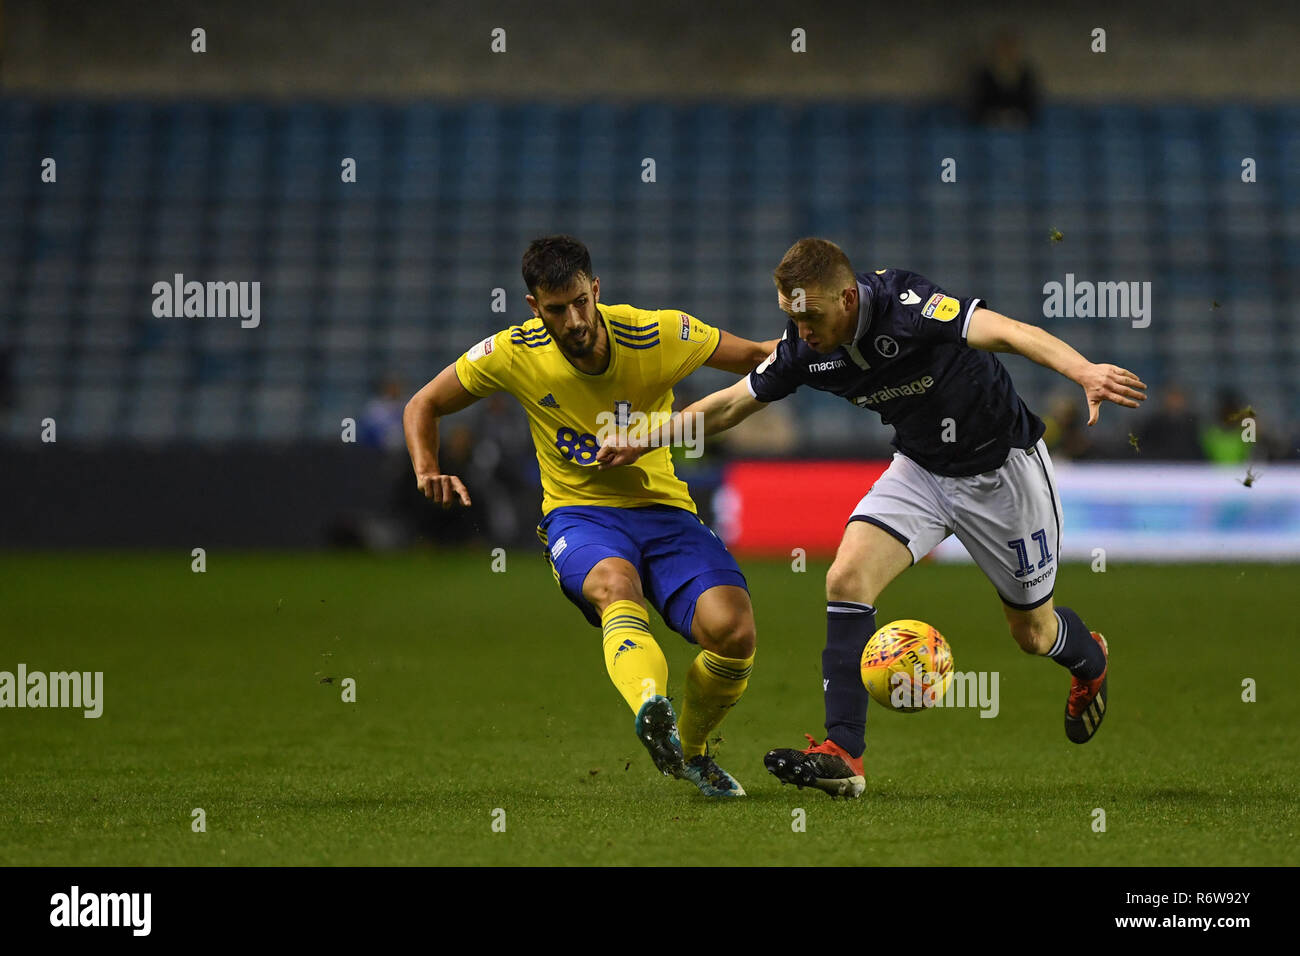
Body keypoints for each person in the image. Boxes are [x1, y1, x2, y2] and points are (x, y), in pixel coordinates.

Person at [598, 237, 1147, 798]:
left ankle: (1089, 658)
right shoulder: (804, 346)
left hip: (1001, 473)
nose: (802, 329)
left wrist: (1083, 370)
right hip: (921, 472)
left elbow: (1007, 332)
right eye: (791, 315)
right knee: (845, 578)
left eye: (811, 315)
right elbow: (732, 403)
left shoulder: (907, 306)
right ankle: (845, 754)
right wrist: (644, 438)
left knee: (1032, 633)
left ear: (847, 297)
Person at [403, 235, 777, 798]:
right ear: (534, 307)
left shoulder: (658, 334)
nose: (574, 320)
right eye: (557, 309)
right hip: (580, 516)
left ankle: (693, 754)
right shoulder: (513, 350)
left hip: (664, 510)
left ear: (596, 289)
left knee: (735, 631)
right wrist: (427, 466)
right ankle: (651, 706)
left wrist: (828, 346)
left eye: (581, 301)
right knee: (613, 586)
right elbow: (421, 403)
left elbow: (758, 357)